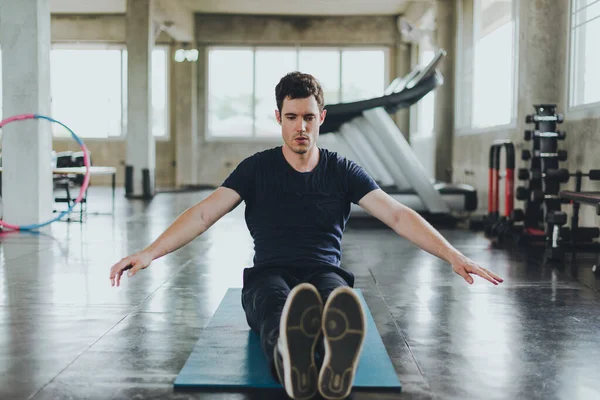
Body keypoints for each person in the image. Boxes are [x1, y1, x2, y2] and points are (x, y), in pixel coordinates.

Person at [109, 72, 503, 400]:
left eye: (309, 118)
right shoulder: (256, 169)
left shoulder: (342, 170)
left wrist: (452, 254)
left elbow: (398, 215)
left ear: (322, 117)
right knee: (274, 307)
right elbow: (202, 214)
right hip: (269, 273)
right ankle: (290, 358)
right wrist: (149, 253)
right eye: (292, 117)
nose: (301, 127)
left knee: (337, 302)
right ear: (278, 117)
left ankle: (331, 358)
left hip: (323, 271)